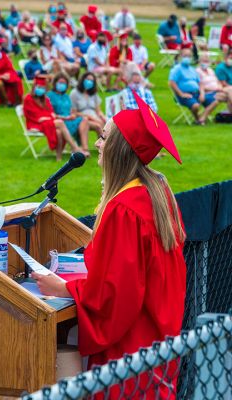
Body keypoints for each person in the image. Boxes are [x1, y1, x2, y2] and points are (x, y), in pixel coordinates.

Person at [32, 90, 186, 399]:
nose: (98, 145)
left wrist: (64, 288)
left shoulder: (125, 209)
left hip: (129, 352)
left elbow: (115, 294)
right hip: (159, 339)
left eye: (103, 137)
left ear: (118, 149)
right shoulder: (157, 193)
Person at [23, 76, 82, 161]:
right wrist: (43, 118)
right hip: (35, 123)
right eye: (39, 87)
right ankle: (75, 147)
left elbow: (50, 112)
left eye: (43, 88)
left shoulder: (45, 99)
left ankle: (59, 157)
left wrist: (47, 117)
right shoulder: (28, 98)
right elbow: (29, 115)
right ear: (34, 87)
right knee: (60, 123)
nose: (41, 89)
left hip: (47, 121)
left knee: (58, 131)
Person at [169, 48, 217, 124]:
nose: (187, 58)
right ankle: (198, 119)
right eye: (185, 56)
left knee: (215, 100)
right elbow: (172, 83)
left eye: (189, 56)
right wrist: (181, 94)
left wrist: (202, 94)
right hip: (185, 94)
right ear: (180, 56)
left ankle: (202, 117)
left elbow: (200, 83)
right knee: (195, 106)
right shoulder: (177, 69)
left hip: (196, 93)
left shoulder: (192, 69)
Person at [47, 73, 90, 157]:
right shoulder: (49, 95)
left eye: (64, 83)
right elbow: (50, 113)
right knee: (62, 127)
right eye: (60, 82)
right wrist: (63, 117)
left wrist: (72, 115)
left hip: (69, 119)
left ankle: (84, 148)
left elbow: (70, 110)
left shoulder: (66, 96)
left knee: (84, 119)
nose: (61, 85)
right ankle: (75, 148)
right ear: (55, 83)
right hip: (59, 120)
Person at [70, 72, 106, 136]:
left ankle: (105, 144)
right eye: (88, 79)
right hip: (82, 118)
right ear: (83, 80)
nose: (89, 82)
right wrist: (91, 117)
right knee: (99, 126)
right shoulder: (74, 93)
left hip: (95, 117)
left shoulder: (93, 93)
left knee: (107, 125)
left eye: (91, 81)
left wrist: (103, 117)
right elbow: (73, 112)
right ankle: (102, 144)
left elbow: (98, 110)